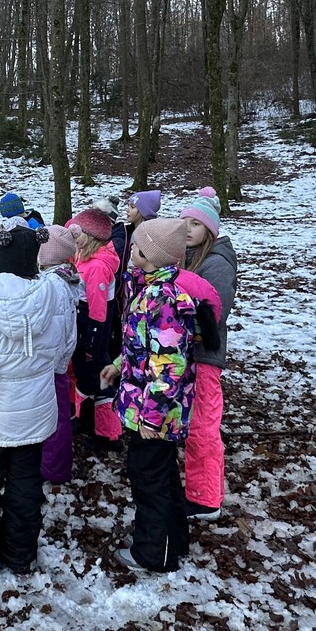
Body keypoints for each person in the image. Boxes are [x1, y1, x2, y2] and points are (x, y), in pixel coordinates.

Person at [0, 220, 77, 581]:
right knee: (25, 485)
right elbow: (63, 347)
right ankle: (20, 556)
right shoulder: (54, 293)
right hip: (35, 414)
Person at [101, 218, 200, 574]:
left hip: (156, 412)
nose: (130, 250)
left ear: (150, 254)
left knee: (149, 478)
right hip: (148, 404)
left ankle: (154, 553)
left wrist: (152, 416)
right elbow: (144, 347)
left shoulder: (162, 300)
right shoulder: (148, 289)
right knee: (161, 474)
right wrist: (118, 365)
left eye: (137, 246)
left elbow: (169, 365)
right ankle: (174, 540)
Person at [177, 188, 238, 520]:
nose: (187, 228)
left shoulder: (216, 264)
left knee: (203, 426)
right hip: (187, 354)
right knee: (193, 424)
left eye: (196, 224)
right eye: (185, 221)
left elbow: (215, 313)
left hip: (204, 357)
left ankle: (205, 499)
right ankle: (198, 489)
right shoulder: (188, 256)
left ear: (210, 230)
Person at [67, 207, 123, 452]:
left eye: (77, 233)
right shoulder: (85, 256)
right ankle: (85, 417)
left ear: (91, 237)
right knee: (84, 373)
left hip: (93, 327)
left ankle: (109, 433)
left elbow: (98, 310)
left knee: (99, 376)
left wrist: (92, 340)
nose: (73, 237)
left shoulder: (98, 266)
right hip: (84, 323)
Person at [36, 226, 84, 484]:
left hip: (52, 364)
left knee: (54, 417)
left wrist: (49, 362)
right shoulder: (63, 277)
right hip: (56, 361)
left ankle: (54, 469)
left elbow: (55, 327)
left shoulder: (53, 284)